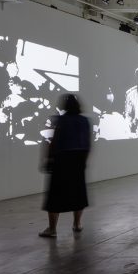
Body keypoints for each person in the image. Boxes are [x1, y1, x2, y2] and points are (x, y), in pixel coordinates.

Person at [39, 94, 91, 237]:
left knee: (55, 196)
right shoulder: (84, 121)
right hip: (78, 159)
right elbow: (87, 144)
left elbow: (53, 142)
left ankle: (52, 229)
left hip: (61, 160)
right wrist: (84, 161)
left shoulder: (61, 120)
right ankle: (77, 224)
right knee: (78, 193)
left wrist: (47, 159)